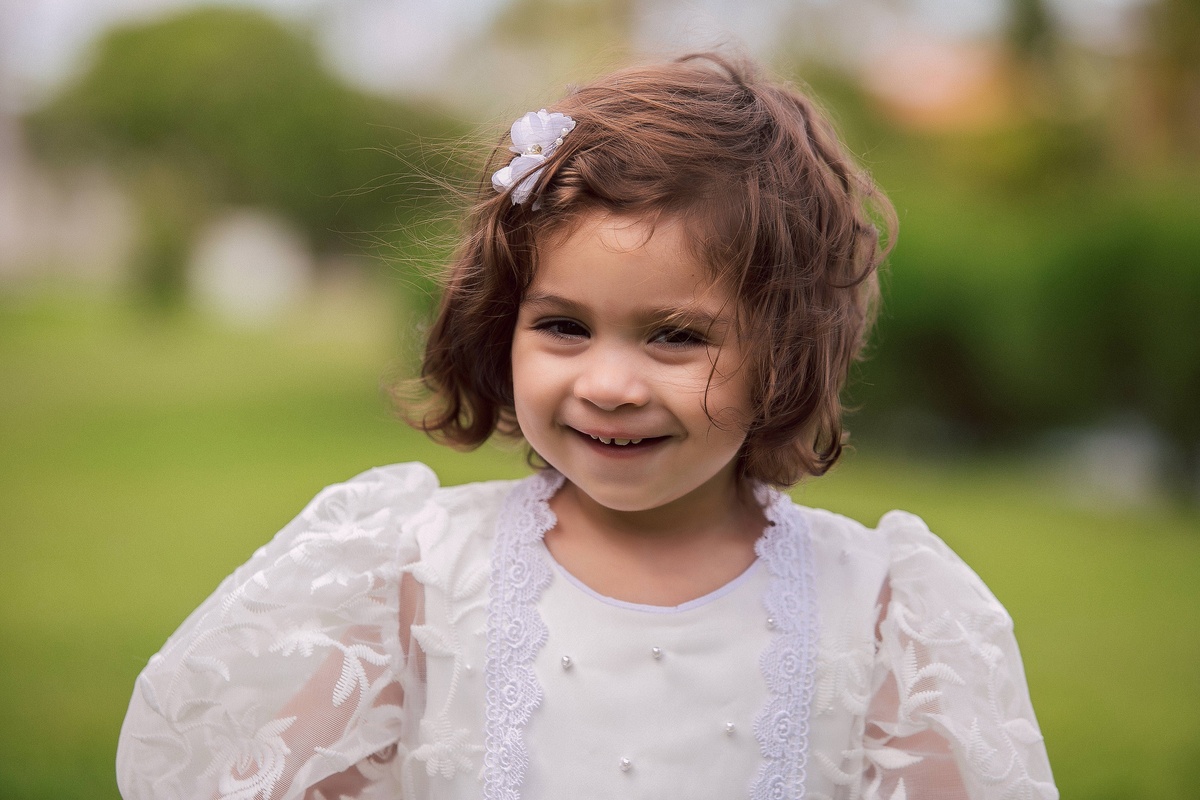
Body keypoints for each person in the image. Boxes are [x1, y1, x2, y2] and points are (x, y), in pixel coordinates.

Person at [115, 54, 1058, 800]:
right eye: (563, 326)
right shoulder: (416, 576)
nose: (609, 384)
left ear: (785, 350)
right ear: (502, 324)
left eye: (677, 337)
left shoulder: (883, 612)